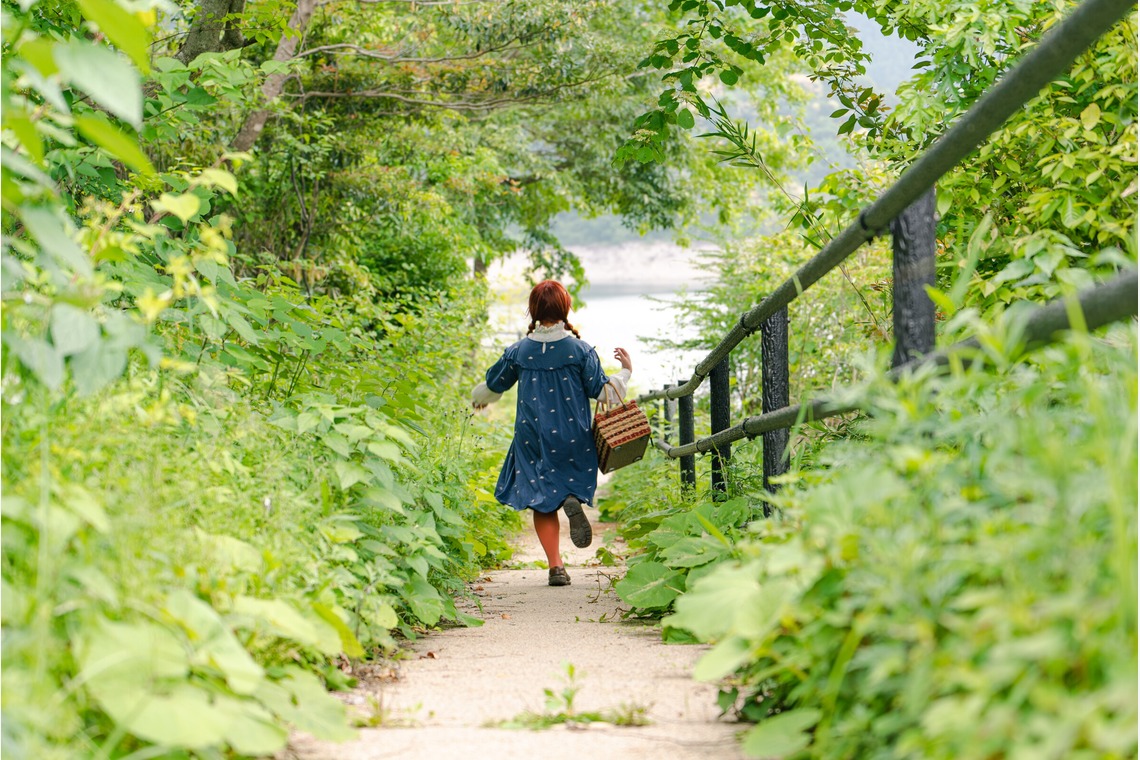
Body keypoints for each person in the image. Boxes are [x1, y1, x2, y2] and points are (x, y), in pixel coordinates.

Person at [472, 280, 632, 587]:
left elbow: (494, 384)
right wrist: (625, 371)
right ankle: (571, 497)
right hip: (573, 435)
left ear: (533, 310)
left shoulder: (518, 352)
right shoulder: (580, 350)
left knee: (540, 498)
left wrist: (479, 399)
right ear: (565, 308)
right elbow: (604, 392)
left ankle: (556, 566)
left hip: (532, 436)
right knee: (566, 481)